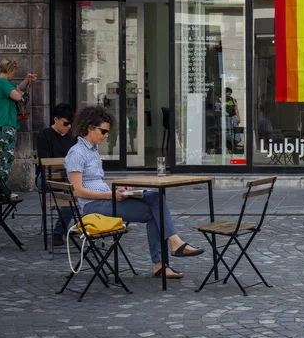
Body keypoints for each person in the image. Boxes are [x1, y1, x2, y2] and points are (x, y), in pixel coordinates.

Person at [65, 106, 204, 279]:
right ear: (90, 127)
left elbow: (95, 183)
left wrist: (118, 191)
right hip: (93, 209)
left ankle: (172, 248)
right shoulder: (77, 153)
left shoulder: (93, 152)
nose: (106, 135)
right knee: (154, 213)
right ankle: (163, 260)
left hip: (107, 200)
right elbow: (78, 191)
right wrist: (111, 195)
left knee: (155, 197)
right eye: (104, 131)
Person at [0, 59, 37, 184]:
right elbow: (17, 95)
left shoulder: (4, 83)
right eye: (14, 72)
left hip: (4, 124)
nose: (14, 74)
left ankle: (0, 188)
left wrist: (27, 80)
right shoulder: (1, 82)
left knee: (6, 158)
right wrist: (22, 94)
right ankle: (0, 189)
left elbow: (18, 88)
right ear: (9, 70)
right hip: (3, 124)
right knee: (7, 158)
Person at [36, 103, 76, 246]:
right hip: (47, 175)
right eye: (66, 123)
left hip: (67, 176)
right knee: (71, 189)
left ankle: (62, 229)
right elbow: (45, 163)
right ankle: (59, 231)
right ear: (56, 119)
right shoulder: (44, 135)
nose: (68, 127)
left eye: (71, 124)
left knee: (77, 188)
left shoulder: (73, 136)